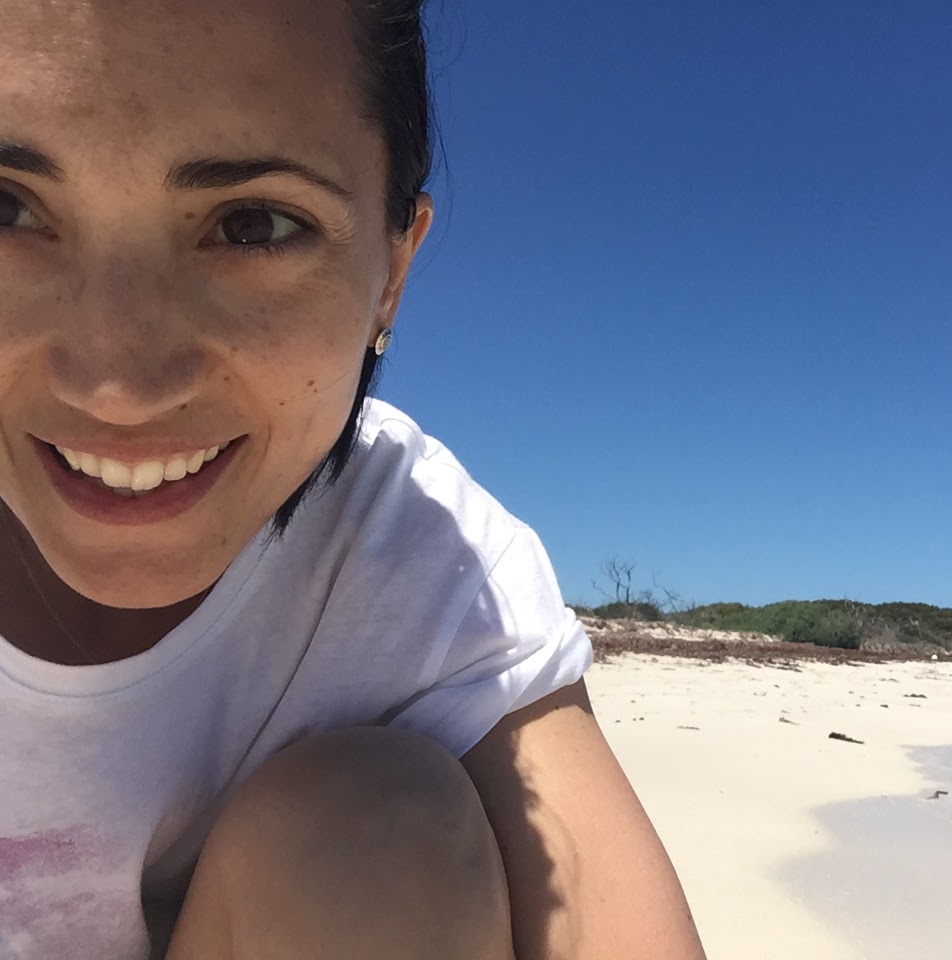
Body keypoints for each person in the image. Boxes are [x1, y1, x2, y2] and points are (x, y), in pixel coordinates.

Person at [0, 2, 707, 957]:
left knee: (377, 838)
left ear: (392, 274)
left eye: (253, 225)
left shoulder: (419, 555)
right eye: (5, 208)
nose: (117, 386)